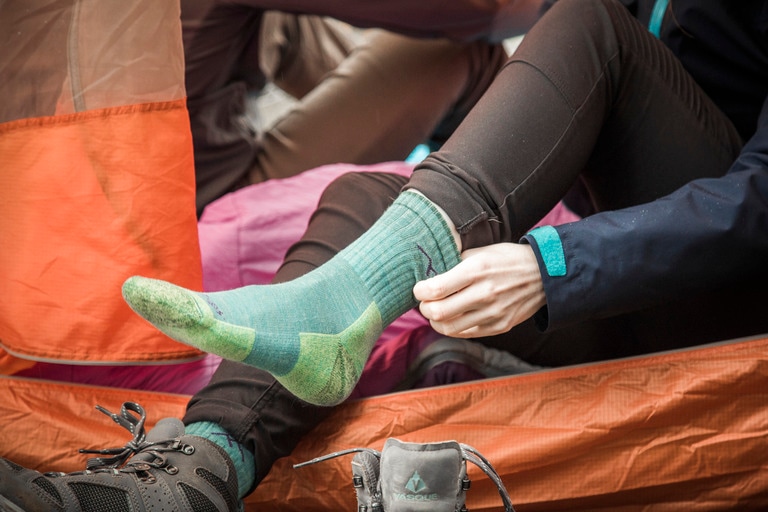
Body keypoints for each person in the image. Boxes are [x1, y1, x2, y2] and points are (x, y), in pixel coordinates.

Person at [2, 0, 767, 510]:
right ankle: (198, 469)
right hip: (614, 293)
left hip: (722, 302)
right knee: (368, 197)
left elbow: (758, 203)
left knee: (588, 23)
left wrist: (554, 261)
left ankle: (403, 330)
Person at [182, 1, 514, 214]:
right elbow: (491, 9)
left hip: (163, 181)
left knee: (280, 19)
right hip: (205, 207)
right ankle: (501, 224)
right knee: (461, 52)